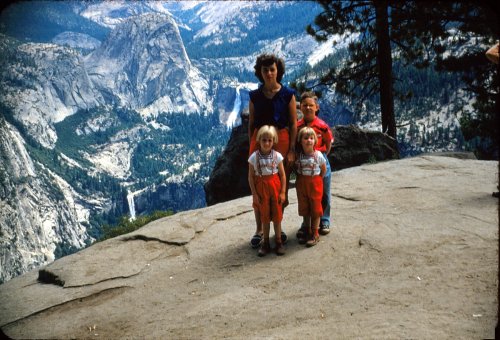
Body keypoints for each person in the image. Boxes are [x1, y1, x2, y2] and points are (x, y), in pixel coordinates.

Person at [248, 53, 297, 248]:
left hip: (282, 142)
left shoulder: (288, 94)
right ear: (260, 72)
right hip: (259, 141)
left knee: (279, 185)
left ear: (278, 71)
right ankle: (260, 229)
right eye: (265, 70)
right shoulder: (255, 96)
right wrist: (251, 147)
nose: (269, 73)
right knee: (259, 185)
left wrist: (292, 149)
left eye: (272, 69)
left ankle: (278, 227)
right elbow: (251, 124)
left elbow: (293, 124)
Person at [296, 91, 334, 238]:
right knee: (306, 195)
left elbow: (328, 142)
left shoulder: (322, 126)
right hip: (304, 162)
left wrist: (323, 155)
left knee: (323, 192)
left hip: (320, 159)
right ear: (300, 108)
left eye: (311, 105)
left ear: (317, 107)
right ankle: (307, 224)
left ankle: (324, 220)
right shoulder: (298, 126)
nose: (308, 108)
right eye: (304, 105)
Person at [248, 125, 287, 256]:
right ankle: (265, 243)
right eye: (264, 140)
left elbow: (282, 175)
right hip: (261, 188)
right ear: (259, 140)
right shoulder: (254, 157)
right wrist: (254, 194)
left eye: (269, 140)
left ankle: (278, 241)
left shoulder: (277, 156)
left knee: (277, 216)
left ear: (274, 141)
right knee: (264, 217)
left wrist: (282, 192)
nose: (266, 143)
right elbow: (250, 176)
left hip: (275, 186)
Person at [294, 127, 327, 247]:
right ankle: (307, 230)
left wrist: (317, 180)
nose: (309, 140)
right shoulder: (299, 156)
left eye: (311, 138)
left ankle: (315, 233)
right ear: (300, 141)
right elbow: (297, 169)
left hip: (315, 183)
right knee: (305, 207)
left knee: (315, 208)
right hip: (302, 183)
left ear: (315, 141)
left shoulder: (317, 155)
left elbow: (323, 169)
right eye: (306, 138)